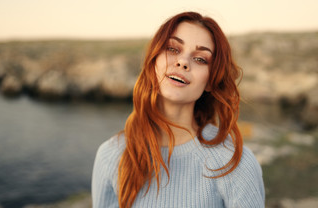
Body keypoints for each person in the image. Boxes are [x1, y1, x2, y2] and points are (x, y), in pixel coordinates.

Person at [92, 11, 265, 208]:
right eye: (173, 49)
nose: (183, 62)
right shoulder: (110, 155)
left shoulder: (233, 163)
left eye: (200, 59)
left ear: (210, 81)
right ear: (153, 61)